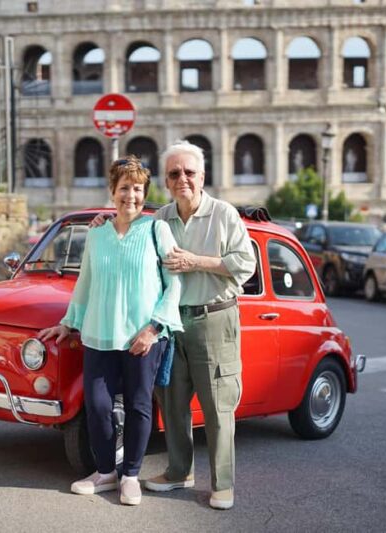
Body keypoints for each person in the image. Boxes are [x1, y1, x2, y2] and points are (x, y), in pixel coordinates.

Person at [96, 141, 256, 509]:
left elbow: (245, 265)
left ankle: (223, 483)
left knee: (218, 405)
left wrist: (197, 261)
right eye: (174, 173)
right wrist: (103, 222)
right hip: (171, 322)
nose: (182, 178)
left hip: (213, 318)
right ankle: (179, 470)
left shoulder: (224, 214)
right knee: (172, 402)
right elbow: (128, 228)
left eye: (189, 172)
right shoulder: (161, 217)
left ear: (202, 176)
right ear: (166, 181)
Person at [39, 156, 183, 506]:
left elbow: (174, 282)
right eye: (123, 188)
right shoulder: (98, 234)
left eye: (137, 189)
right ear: (112, 191)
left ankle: (130, 475)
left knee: (137, 405)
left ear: (144, 193)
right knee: (98, 405)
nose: (130, 195)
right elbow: (85, 283)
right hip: (100, 334)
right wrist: (68, 322)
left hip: (142, 338)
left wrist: (153, 329)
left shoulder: (155, 230)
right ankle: (105, 472)